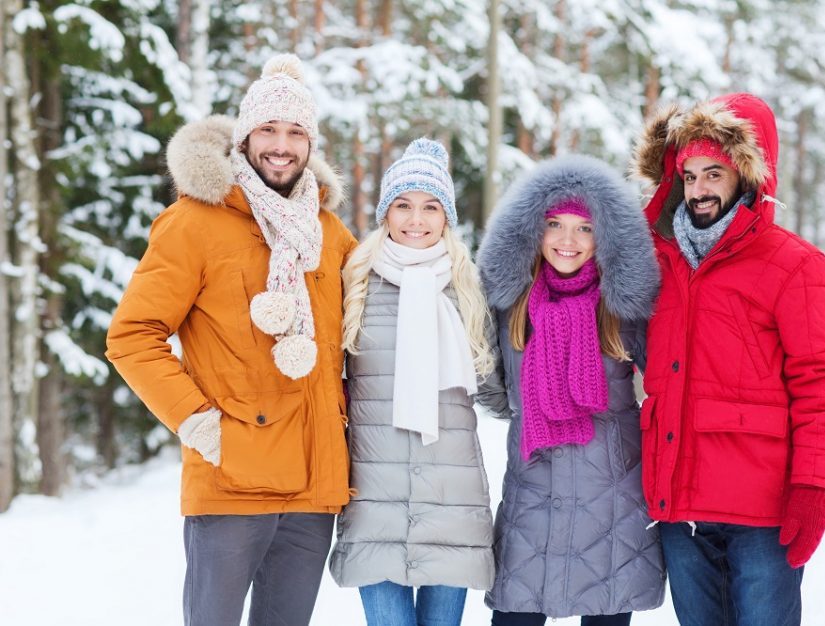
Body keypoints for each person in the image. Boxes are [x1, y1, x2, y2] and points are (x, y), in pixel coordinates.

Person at [105, 54, 357, 626]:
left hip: (315, 487)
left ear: (310, 145)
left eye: (296, 132)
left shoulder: (331, 233)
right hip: (233, 478)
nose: (281, 145)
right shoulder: (194, 221)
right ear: (244, 137)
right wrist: (197, 421)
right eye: (268, 129)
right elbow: (132, 336)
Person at [629, 92, 825, 625]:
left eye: (714, 174)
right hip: (681, 511)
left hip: (761, 514)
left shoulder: (795, 265)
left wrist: (813, 486)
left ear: (747, 175)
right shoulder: (660, 264)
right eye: (689, 175)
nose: (699, 190)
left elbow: (820, 384)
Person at [475, 155, 666, 626]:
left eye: (584, 228)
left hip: (612, 506)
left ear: (606, 235)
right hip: (532, 501)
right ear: (531, 231)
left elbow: (670, 380)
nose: (567, 240)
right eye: (555, 224)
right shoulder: (510, 304)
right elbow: (491, 384)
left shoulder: (625, 306)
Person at [328, 138, 498, 626]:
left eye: (430, 207)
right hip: (374, 496)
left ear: (446, 217)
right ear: (386, 212)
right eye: (403, 205)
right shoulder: (355, 281)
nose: (416, 220)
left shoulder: (468, 287)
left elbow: (496, 384)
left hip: (453, 497)